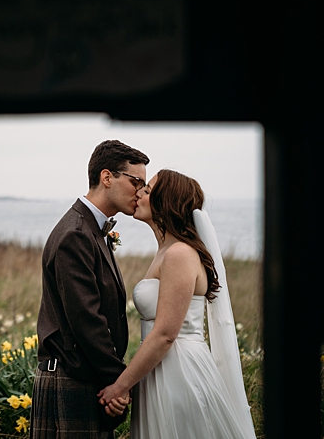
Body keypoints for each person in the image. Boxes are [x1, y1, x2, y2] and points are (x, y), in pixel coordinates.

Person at [96, 170, 255, 438]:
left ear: (165, 202)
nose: (138, 194)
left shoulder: (179, 254)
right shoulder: (166, 251)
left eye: (147, 191)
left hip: (179, 372)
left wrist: (121, 386)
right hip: (160, 369)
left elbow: (166, 334)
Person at [29, 140, 145, 437]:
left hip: (84, 374)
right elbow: (86, 319)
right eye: (136, 182)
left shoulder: (92, 229)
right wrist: (119, 382)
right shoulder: (76, 234)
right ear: (107, 178)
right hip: (70, 377)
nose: (141, 192)